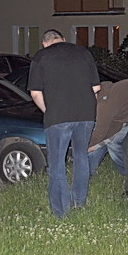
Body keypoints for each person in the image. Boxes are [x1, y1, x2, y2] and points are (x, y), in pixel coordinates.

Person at [28, 29, 100, 218]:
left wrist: (48, 111)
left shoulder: (41, 56)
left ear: (44, 43)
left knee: (57, 163)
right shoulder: (83, 52)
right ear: (63, 39)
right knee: (81, 157)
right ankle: (79, 203)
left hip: (58, 116)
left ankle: (61, 211)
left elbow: (35, 92)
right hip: (86, 114)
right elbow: (96, 87)